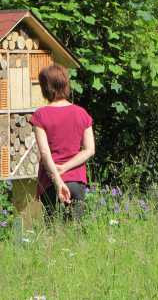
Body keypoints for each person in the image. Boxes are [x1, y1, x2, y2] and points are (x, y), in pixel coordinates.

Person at [29, 64, 95, 223]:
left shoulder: (40, 115)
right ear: (66, 84)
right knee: (76, 229)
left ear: (46, 87)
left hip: (50, 181)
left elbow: (45, 153)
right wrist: (65, 168)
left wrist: (58, 178)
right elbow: (90, 150)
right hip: (76, 179)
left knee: (51, 229)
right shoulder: (81, 113)